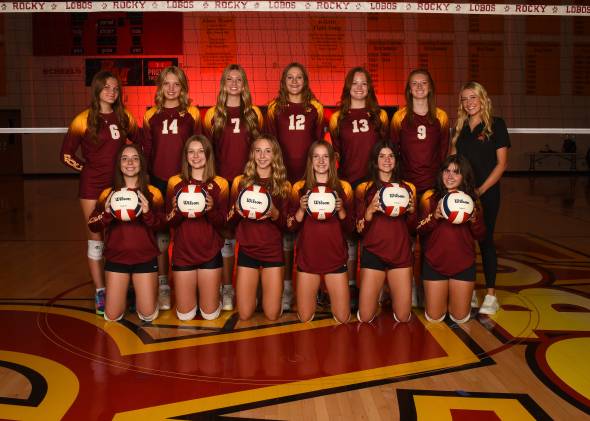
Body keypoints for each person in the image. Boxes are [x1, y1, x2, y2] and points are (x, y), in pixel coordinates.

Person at [60, 70, 138, 315]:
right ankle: (101, 291)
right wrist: (86, 169)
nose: (112, 92)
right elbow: (65, 155)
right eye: (106, 87)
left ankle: (123, 286)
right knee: (96, 239)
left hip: (119, 185)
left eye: (115, 88)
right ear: (96, 90)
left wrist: (132, 167)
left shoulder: (124, 117)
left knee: (121, 237)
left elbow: (141, 143)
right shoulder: (83, 119)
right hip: (92, 187)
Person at [203, 64, 263, 312]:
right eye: (230, 79)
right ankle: (227, 286)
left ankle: (254, 287)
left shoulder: (254, 113)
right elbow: (206, 152)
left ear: (244, 84)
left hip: (248, 182)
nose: (234, 83)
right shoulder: (213, 114)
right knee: (226, 234)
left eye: (239, 79)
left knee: (251, 232)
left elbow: (261, 149)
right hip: (221, 182)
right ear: (223, 84)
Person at [142, 65, 202, 311]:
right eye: (166, 83)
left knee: (188, 230)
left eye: (176, 84)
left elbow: (199, 147)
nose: (171, 88)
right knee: (161, 233)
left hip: (185, 181)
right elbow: (146, 151)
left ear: (183, 88)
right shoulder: (150, 115)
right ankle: (164, 284)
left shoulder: (192, 113)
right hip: (158, 180)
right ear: (160, 87)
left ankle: (193, 280)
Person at [266, 62, 325, 311]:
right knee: (283, 230)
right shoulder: (274, 108)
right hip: (282, 177)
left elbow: (319, 146)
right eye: (289, 77)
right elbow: (270, 144)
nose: (294, 81)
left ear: (305, 81)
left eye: (299, 77)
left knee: (308, 230)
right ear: (283, 81)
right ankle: (287, 285)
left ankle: (311, 284)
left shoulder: (315, 108)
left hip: (306, 179)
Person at [328, 67, 388, 309]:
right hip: (349, 183)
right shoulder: (338, 117)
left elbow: (385, 150)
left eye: (364, 83)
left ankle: (377, 285)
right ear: (348, 87)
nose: (359, 87)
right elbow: (336, 153)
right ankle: (351, 284)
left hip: (373, 183)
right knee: (350, 235)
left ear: (369, 87)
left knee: (373, 232)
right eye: (355, 83)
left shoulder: (379, 116)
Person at [390, 68, 450, 307]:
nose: (419, 87)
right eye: (414, 83)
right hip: (407, 189)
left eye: (423, 83)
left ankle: (427, 290)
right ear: (408, 89)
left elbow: (444, 154)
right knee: (405, 242)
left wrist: (441, 189)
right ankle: (408, 290)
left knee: (429, 243)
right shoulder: (400, 117)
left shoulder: (441, 117)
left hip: (431, 190)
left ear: (430, 87)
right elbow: (393, 153)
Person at [451, 81, 510, 315]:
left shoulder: (496, 125)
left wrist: (481, 190)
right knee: (463, 242)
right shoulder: (460, 128)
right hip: (463, 195)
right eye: (464, 99)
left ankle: (491, 295)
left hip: (487, 193)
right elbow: (452, 163)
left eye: (473, 97)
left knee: (485, 240)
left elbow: (502, 164)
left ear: (482, 98)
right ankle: (470, 290)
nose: (469, 103)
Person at [88, 144, 163, 322]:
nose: (130, 162)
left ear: (141, 164)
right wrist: (107, 214)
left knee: (147, 315)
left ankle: (141, 295)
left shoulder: (152, 193)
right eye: (125, 159)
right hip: (116, 259)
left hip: (144, 258)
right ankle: (127, 295)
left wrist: (147, 213)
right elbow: (93, 225)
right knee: (111, 316)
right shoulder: (108, 194)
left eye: (135, 158)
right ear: (119, 164)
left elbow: (163, 226)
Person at [288, 140, 354, 323]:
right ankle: (317, 295)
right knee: (305, 317)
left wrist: (341, 210)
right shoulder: (299, 187)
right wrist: (301, 209)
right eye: (316, 157)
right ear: (310, 161)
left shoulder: (343, 187)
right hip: (308, 258)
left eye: (325, 156)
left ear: (332, 160)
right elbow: (290, 226)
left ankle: (325, 295)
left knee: (342, 318)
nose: (321, 161)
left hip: (335, 257)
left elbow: (352, 229)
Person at [228, 134, 291, 321]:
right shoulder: (241, 182)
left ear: (275, 155)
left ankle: (270, 295)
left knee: (271, 314)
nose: (262, 156)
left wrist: (275, 214)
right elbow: (228, 222)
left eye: (267, 151)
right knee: (245, 314)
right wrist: (236, 210)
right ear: (252, 154)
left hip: (272, 251)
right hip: (248, 250)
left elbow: (288, 225)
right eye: (258, 151)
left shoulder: (283, 185)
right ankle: (256, 294)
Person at [417, 155, 486, 323]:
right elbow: (419, 229)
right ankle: (443, 298)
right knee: (434, 317)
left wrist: (474, 220)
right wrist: (435, 216)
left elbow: (481, 235)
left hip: (463, 264)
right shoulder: (430, 197)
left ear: (464, 176)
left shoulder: (472, 200)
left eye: (456, 172)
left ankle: (458, 299)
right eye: (447, 171)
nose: (450, 176)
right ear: (441, 173)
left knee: (459, 318)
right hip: (435, 263)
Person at [166, 135, 229, 321]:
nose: (196, 156)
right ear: (185, 156)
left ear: (208, 154)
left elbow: (224, 223)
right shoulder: (174, 182)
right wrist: (177, 210)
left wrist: (211, 210)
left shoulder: (220, 183)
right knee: (185, 316)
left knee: (210, 315)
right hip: (183, 254)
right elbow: (168, 221)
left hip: (210, 253)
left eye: (201, 151)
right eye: (191, 152)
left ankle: (214, 292)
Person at [355, 141, 417, 323]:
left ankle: (389, 291)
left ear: (396, 160)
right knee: (365, 317)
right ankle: (379, 292)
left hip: (400, 254)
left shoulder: (407, 188)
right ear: (375, 161)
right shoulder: (364, 188)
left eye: (391, 156)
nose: (387, 160)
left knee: (403, 317)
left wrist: (412, 212)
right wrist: (369, 211)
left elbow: (413, 228)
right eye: (382, 156)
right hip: (374, 253)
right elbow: (358, 229)